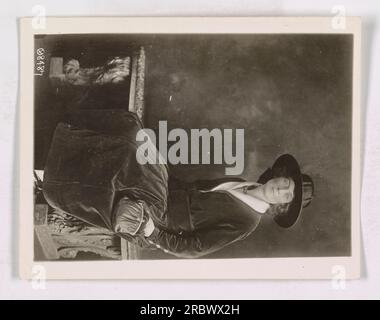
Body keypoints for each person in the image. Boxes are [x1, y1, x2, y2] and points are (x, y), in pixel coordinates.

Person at [43, 108, 314, 259]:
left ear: (280, 206)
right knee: (131, 128)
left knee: (128, 153)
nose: (281, 188)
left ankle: (49, 178)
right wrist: (158, 165)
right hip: (163, 190)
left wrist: (151, 232)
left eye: (286, 196)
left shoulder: (247, 222)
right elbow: (188, 186)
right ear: (279, 174)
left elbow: (193, 248)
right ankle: (54, 145)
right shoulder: (241, 182)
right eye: (285, 182)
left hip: (157, 220)